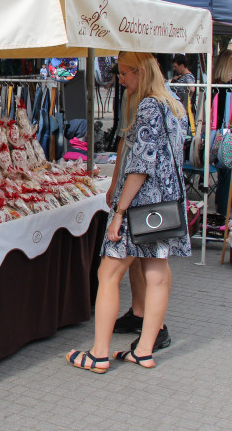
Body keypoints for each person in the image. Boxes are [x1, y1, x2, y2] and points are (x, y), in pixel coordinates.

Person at [66, 52, 188, 373]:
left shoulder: (148, 106)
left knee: (108, 274)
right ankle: (144, 350)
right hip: (166, 201)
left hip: (141, 203)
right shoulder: (173, 104)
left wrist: (119, 210)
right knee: (157, 271)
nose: (120, 80)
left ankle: (99, 353)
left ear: (142, 71)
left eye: (124, 73)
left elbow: (141, 164)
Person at [211, 49, 232, 217]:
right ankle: (223, 216)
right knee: (231, 180)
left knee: (224, 178)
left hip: (216, 137)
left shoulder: (214, 84)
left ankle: (220, 214)